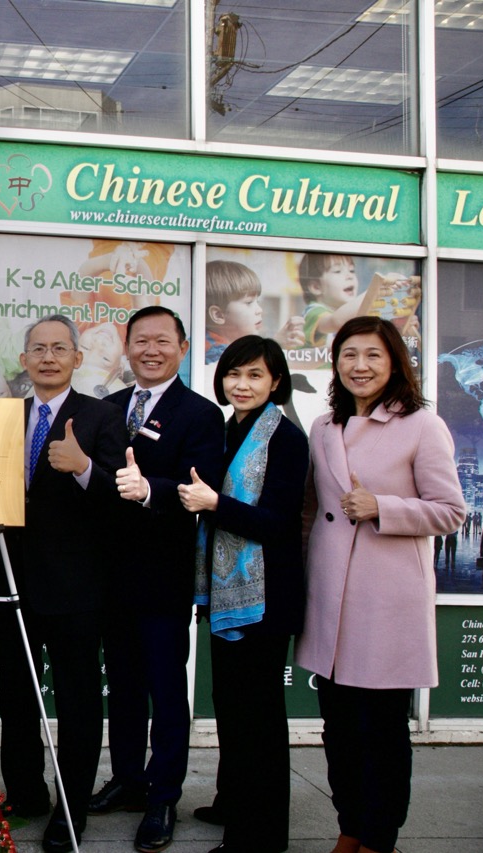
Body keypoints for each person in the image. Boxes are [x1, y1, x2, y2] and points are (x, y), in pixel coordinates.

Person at [296, 316, 464, 853]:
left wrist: (382, 507)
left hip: (386, 602)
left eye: (372, 355)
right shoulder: (324, 426)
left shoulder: (420, 425)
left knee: (381, 733)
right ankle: (350, 828)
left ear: (394, 362)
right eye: (349, 355)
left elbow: (451, 511)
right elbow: (311, 513)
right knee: (339, 730)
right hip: (330, 601)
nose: (360, 366)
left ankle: (378, 837)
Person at [0, 315, 127, 851]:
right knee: (17, 692)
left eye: (59, 349)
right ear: (24, 360)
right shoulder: (3, 417)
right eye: (38, 349)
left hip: (75, 586)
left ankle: (71, 809)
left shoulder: (101, 416)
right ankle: (26, 793)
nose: (48, 357)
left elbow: (120, 497)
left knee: (77, 699)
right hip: (10, 576)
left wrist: (84, 466)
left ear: (76, 358)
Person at [92, 305, 225, 853]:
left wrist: (149, 489)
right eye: (140, 340)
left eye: (162, 341)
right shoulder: (107, 407)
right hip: (109, 577)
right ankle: (128, 780)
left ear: (183, 348)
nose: (150, 350)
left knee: (166, 691)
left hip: (164, 576)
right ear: (127, 348)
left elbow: (200, 487)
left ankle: (163, 796)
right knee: (122, 687)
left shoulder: (201, 414)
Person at [177, 336, 309, 853]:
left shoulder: (286, 438)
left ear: (276, 381)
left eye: (255, 375)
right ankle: (233, 802)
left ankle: (259, 836)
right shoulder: (228, 429)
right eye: (234, 373)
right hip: (226, 592)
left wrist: (214, 504)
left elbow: (278, 523)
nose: (242, 384)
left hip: (265, 598)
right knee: (230, 706)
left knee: (259, 720)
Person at [204, 260, 264, 363]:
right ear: (218, 315)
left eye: (257, 301)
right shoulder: (214, 353)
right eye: (249, 302)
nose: (259, 310)